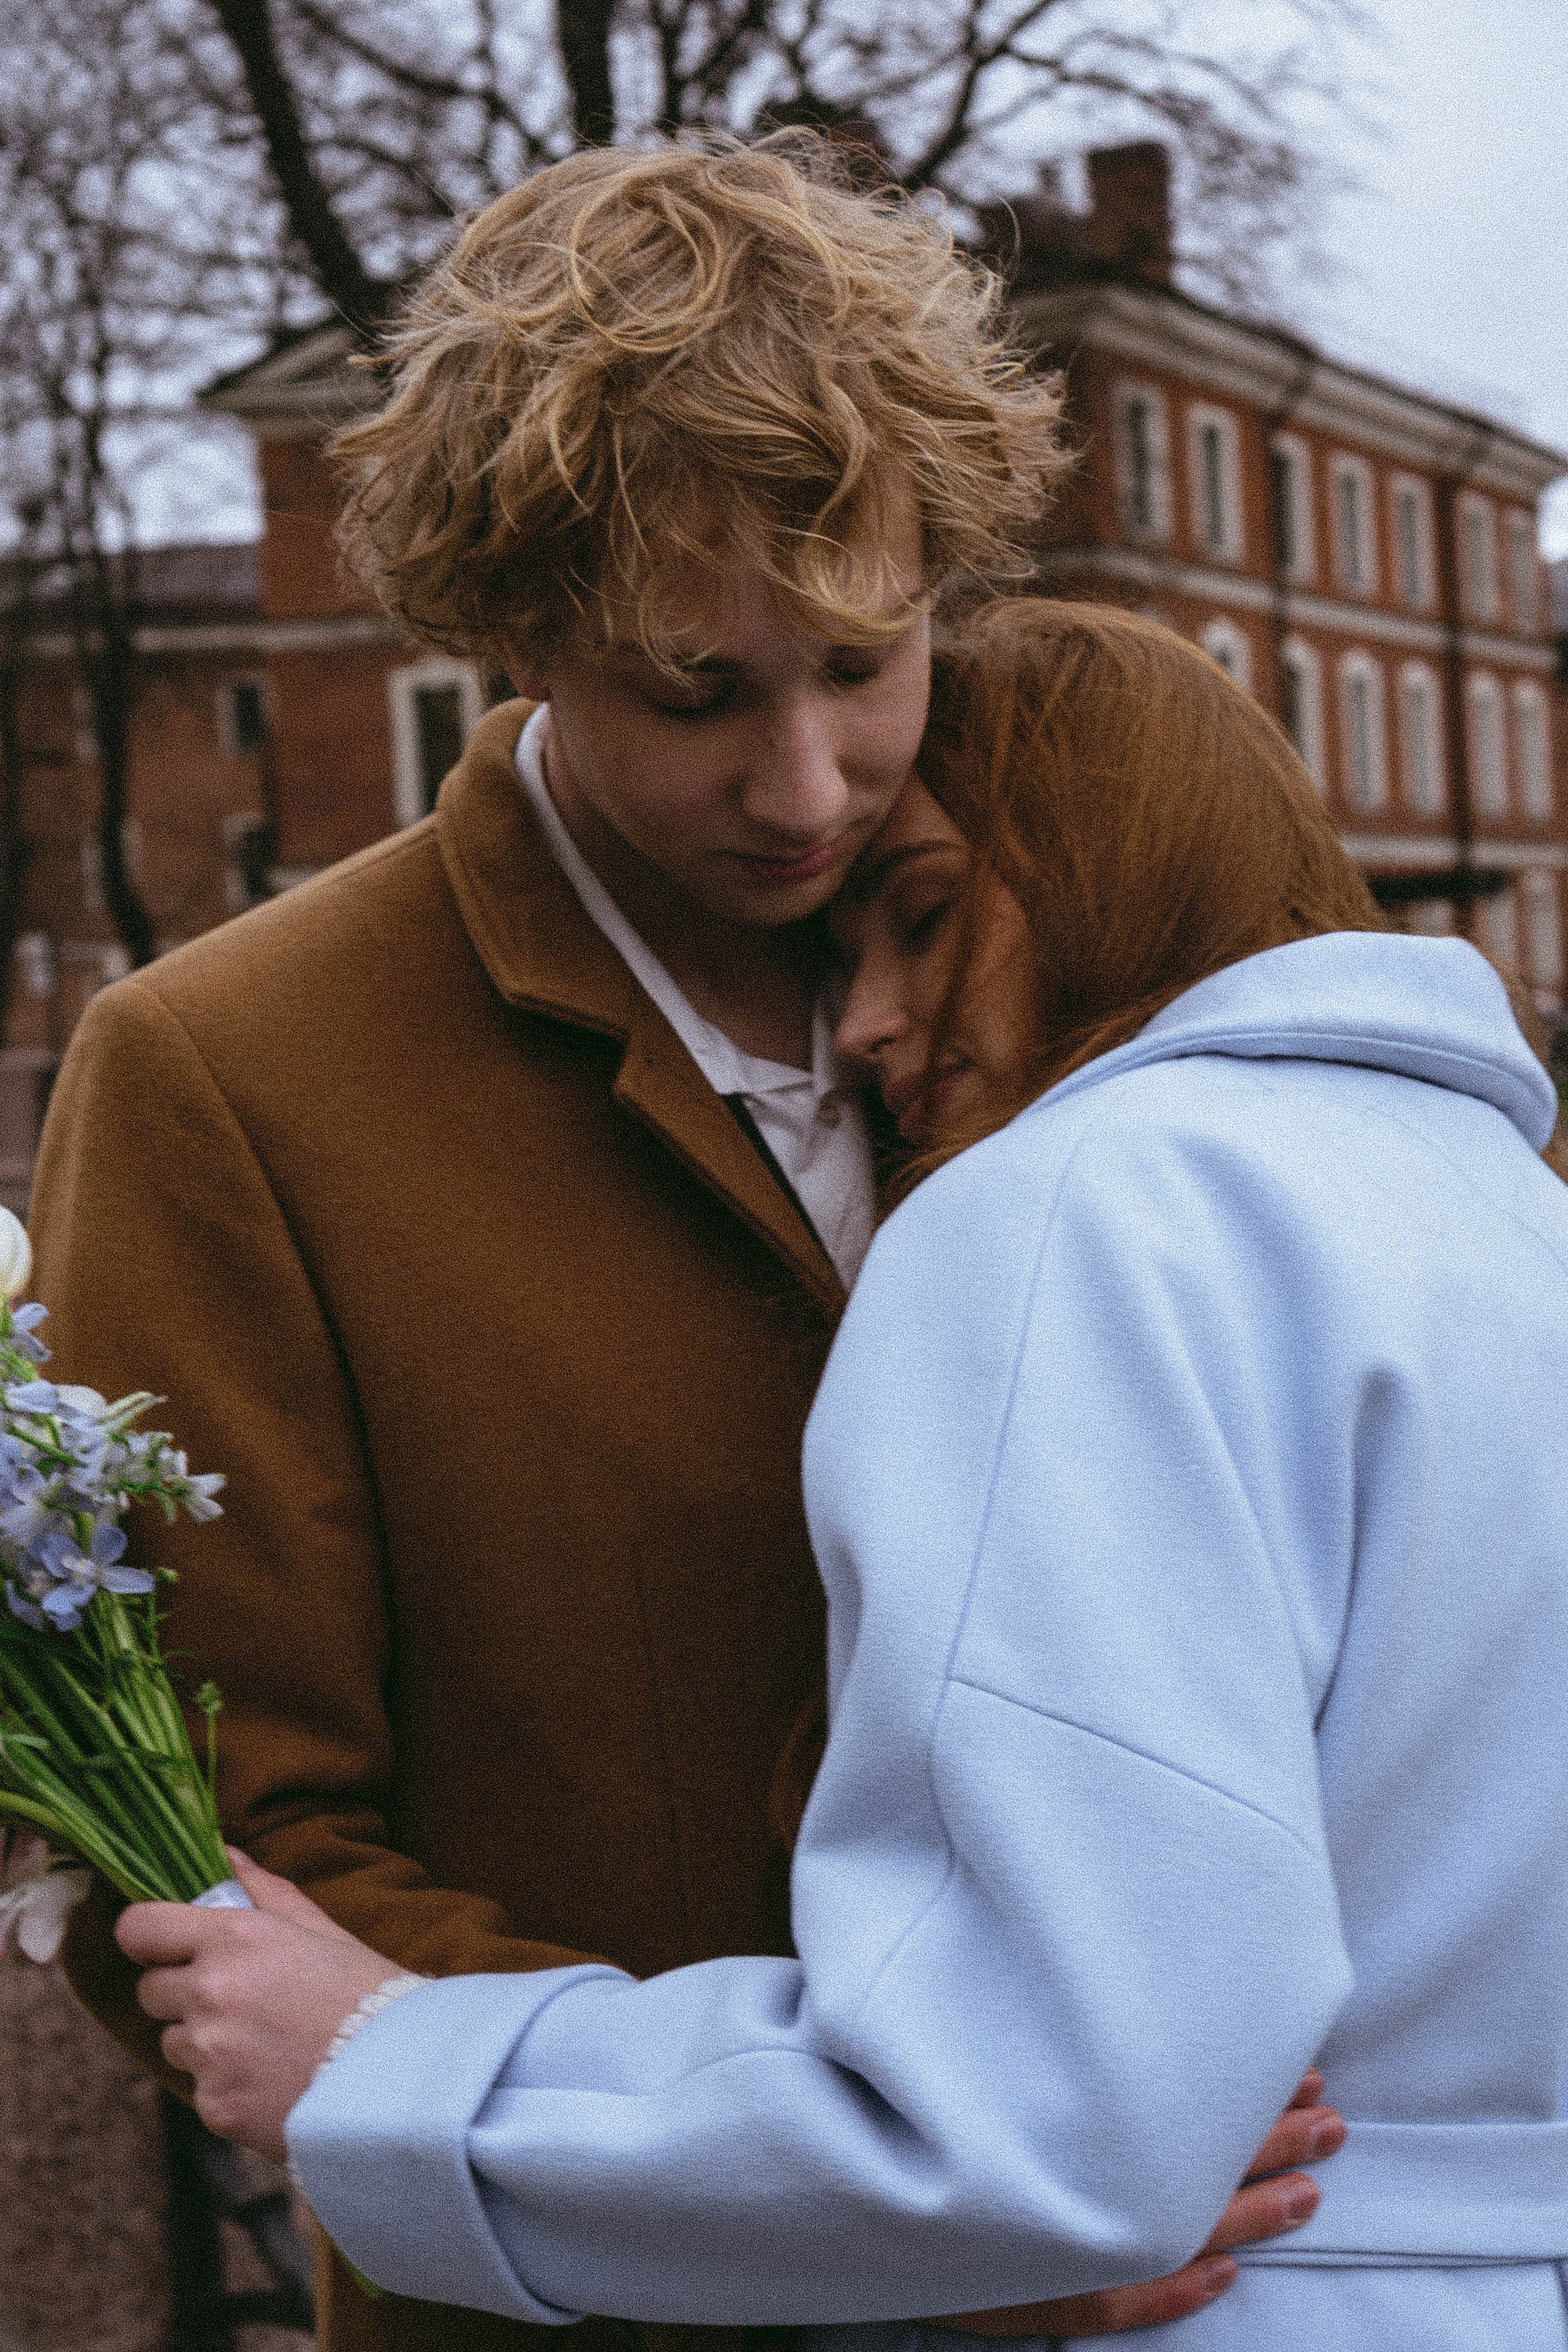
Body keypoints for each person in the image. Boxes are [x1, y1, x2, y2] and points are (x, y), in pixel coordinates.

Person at [32, 144, 1326, 2352]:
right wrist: (920, 2202)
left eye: (864, 658)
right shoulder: (220, 1075)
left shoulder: (1068, 914)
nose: (813, 789)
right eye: (695, 694)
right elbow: (207, 1870)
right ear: (510, 633)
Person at [120, 600, 1568, 2349]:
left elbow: (1032, 2119)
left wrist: (400, 2064)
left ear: (1123, 863)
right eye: (698, 676)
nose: (871, 1024)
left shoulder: (1068, 1209)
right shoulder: (1511, 1220)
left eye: (931, 919)